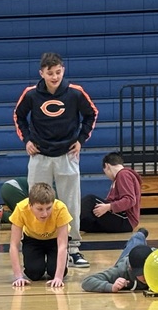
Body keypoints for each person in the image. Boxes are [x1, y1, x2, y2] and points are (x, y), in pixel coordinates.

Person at [13, 51, 98, 268]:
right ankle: (33, 242)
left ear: (63, 71)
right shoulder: (31, 94)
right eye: (50, 73)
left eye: (58, 72)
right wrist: (27, 140)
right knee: (35, 203)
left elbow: (92, 114)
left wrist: (81, 139)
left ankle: (73, 247)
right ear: (41, 73)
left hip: (67, 155)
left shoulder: (75, 93)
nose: (54, 77)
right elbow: (18, 116)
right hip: (39, 155)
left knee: (70, 202)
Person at [81, 229, 158, 293]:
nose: (146, 276)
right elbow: (87, 282)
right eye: (142, 273)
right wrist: (110, 287)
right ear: (131, 269)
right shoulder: (122, 269)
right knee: (133, 245)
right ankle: (140, 234)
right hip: (130, 257)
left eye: (148, 271)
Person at [7, 182, 70, 288]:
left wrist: (58, 277)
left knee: (55, 272)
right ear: (30, 205)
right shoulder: (21, 209)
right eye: (40, 209)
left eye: (49, 208)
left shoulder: (60, 208)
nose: (45, 214)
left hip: (54, 240)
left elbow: (62, 245)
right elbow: (14, 245)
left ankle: (62, 262)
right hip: (33, 239)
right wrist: (18, 277)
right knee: (34, 274)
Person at [79, 153, 142, 234]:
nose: (107, 176)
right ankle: (71, 226)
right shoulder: (120, 177)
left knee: (90, 200)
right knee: (85, 223)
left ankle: (68, 222)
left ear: (107, 165)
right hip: (124, 221)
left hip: (125, 219)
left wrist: (109, 207)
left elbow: (129, 200)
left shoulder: (123, 174)